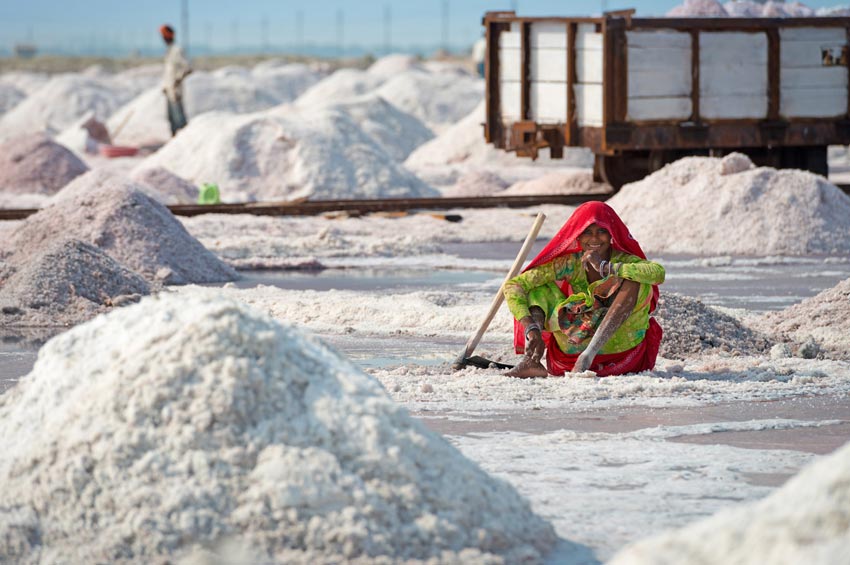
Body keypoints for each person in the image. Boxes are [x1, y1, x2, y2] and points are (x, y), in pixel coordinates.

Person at [503, 201, 664, 377]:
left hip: (619, 352)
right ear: (577, 237)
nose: (594, 239)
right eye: (587, 232)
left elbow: (658, 273)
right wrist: (530, 327)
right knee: (538, 288)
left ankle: (589, 353)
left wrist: (605, 266)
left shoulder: (623, 261)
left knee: (637, 281)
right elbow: (514, 285)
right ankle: (531, 360)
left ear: (611, 235)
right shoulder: (570, 263)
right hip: (570, 352)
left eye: (601, 231)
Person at [160, 24, 192, 136]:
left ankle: (185, 139)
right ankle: (174, 142)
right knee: (171, 118)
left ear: (169, 36)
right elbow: (168, 72)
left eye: (164, 36)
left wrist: (177, 80)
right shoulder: (169, 51)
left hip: (175, 89)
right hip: (169, 89)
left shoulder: (177, 50)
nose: (163, 38)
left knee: (179, 118)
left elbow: (188, 67)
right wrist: (165, 86)